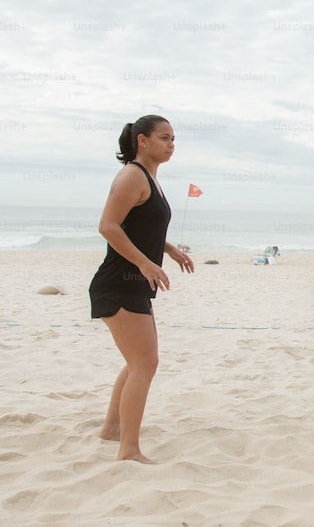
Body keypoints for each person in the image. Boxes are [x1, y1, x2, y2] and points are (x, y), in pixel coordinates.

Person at [89, 115, 195, 463]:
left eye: (174, 138)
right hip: (119, 283)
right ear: (142, 141)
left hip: (131, 283)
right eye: (165, 138)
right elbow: (108, 225)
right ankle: (129, 450)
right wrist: (145, 263)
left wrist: (167, 249)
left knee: (136, 363)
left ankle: (111, 429)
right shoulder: (133, 174)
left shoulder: (150, 178)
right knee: (145, 364)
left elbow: (140, 224)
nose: (171, 144)